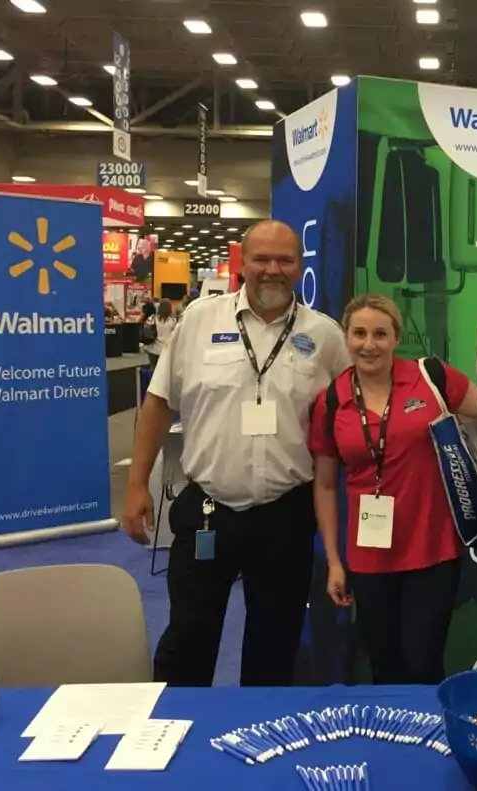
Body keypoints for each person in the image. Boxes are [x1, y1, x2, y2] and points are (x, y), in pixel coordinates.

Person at [121, 219, 350, 687]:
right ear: (241, 263)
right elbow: (160, 403)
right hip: (208, 509)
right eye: (261, 259)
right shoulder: (199, 321)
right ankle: (177, 735)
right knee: (188, 638)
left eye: (284, 260)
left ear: (299, 266)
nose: (272, 269)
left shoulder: (325, 337)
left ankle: (260, 743)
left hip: (285, 514)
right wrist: (135, 482)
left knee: (276, 642)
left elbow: (350, 413)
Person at [309, 294, 477, 685]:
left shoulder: (431, 378)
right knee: (383, 664)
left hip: (433, 550)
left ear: (396, 337)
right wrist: (335, 561)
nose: (368, 344)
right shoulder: (332, 400)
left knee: (424, 663)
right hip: (369, 556)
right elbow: (323, 485)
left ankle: (427, 740)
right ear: (346, 338)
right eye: (358, 333)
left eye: (379, 334)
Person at [143, 299, 177, 371]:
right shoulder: (173, 321)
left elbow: (145, 330)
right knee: (163, 371)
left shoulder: (152, 318)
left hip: (152, 348)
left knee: (153, 368)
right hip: (165, 349)